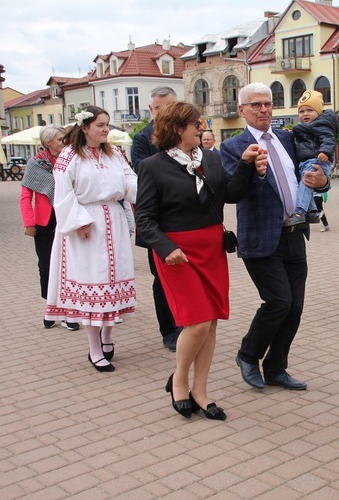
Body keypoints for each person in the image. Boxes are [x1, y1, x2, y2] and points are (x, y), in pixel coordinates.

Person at [135, 101, 265, 419]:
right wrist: (166, 248)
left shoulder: (210, 158)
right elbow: (145, 217)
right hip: (177, 254)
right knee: (197, 321)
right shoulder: (152, 166)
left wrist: (247, 164)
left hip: (212, 250)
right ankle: (180, 379)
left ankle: (201, 391)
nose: (201, 128)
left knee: (211, 323)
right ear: (177, 128)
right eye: (196, 123)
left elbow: (230, 193)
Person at [220, 82, 330, 391]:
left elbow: (309, 178)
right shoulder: (232, 147)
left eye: (268, 103)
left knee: (294, 306)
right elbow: (233, 192)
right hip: (261, 236)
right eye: (256, 105)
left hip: (295, 233)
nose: (264, 109)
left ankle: (276, 367)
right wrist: (249, 167)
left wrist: (321, 181)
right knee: (278, 302)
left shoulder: (287, 138)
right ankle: (247, 354)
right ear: (242, 110)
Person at [45, 106, 137, 372]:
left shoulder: (115, 153)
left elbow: (130, 182)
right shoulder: (70, 155)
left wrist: (151, 196)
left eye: (107, 124)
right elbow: (62, 193)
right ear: (84, 127)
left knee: (114, 278)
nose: (106, 129)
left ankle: (107, 337)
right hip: (86, 224)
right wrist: (78, 221)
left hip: (114, 220)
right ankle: (94, 348)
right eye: (100, 125)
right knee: (92, 282)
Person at [132, 86, 182, 351]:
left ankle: (186, 320)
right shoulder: (142, 139)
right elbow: (144, 173)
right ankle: (169, 329)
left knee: (185, 275)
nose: (164, 112)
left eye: (169, 106)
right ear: (151, 109)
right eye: (159, 108)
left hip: (185, 219)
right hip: (157, 220)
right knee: (162, 278)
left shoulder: (184, 132)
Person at [20, 125, 80, 331]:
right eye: (60, 139)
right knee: (46, 266)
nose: (65, 142)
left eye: (65, 138)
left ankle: (68, 310)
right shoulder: (36, 164)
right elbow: (26, 197)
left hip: (69, 219)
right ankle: (50, 305)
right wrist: (29, 222)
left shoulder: (72, 160)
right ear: (48, 143)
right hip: (46, 222)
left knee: (69, 266)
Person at [286, 89, 339, 226]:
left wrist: (325, 152)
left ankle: (300, 211)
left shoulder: (322, 124)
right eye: (301, 111)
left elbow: (328, 139)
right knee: (306, 184)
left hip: (317, 160)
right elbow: (305, 139)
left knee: (306, 183)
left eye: (310, 110)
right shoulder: (308, 126)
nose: (305, 114)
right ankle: (312, 212)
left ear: (319, 111)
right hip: (308, 160)